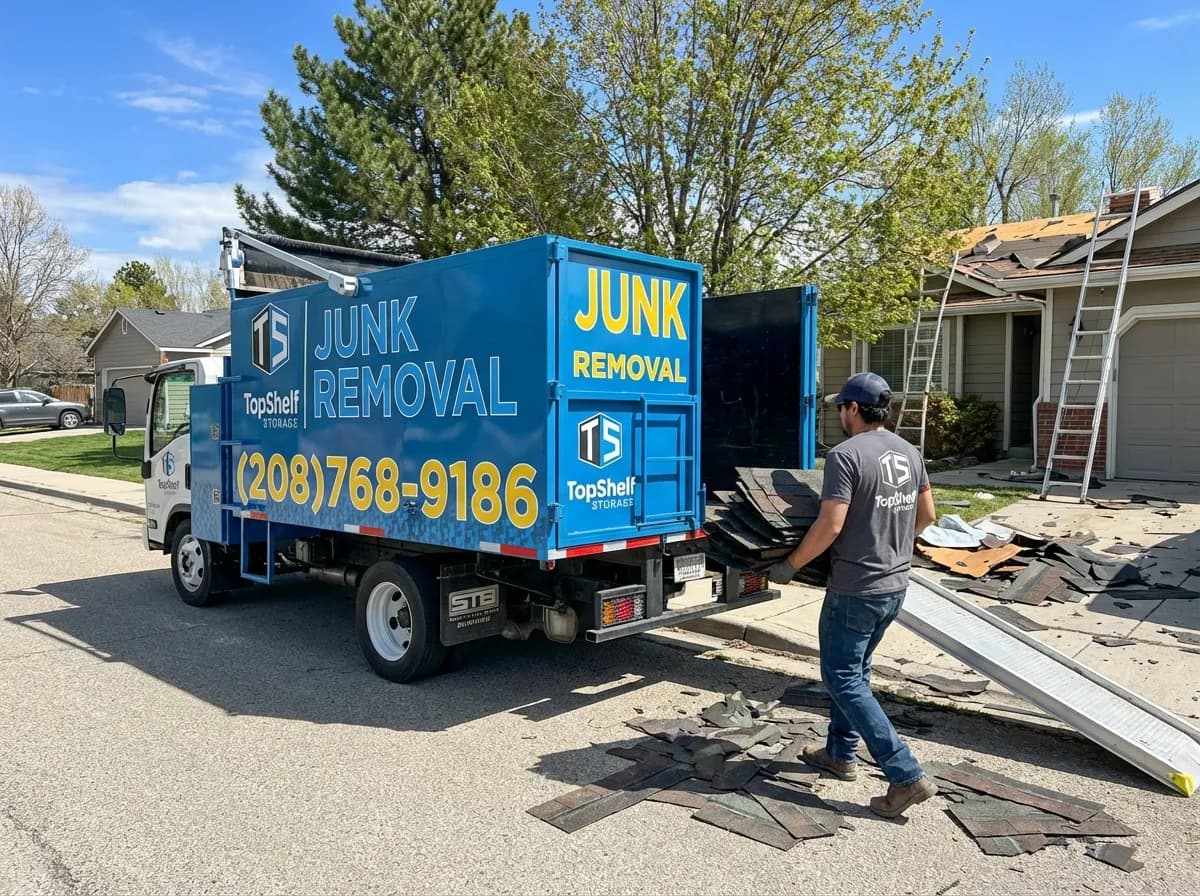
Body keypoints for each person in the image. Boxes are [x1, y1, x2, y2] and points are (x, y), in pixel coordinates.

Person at [768, 372, 938, 818]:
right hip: (895, 585)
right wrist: (890, 544)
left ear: (853, 409)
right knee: (856, 672)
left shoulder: (845, 456)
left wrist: (791, 565)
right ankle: (840, 754)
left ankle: (904, 775)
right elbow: (927, 515)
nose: (838, 415)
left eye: (840, 407)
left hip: (856, 588)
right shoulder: (909, 451)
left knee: (842, 678)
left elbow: (831, 526)